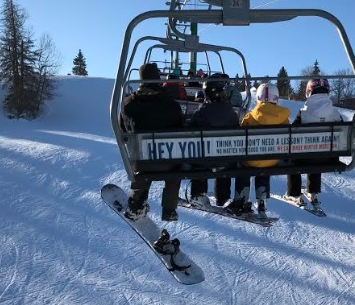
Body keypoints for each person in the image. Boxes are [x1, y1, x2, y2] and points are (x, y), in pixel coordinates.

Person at [121, 62, 184, 221]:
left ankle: (136, 205)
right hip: (168, 160)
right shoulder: (172, 104)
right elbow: (181, 127)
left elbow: (122, 127)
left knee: (142, 169)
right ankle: (169, 210)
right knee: (174, 173)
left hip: (142, 160)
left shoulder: (129, 103)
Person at [226, 83, 291, 217]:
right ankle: (262, 201)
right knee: (265, 166)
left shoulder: (251, 116)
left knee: (243, 165)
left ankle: (241, 198)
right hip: (271, 160)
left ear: (258, 97)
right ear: (276, 98)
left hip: (251, 160)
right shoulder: (283, 118)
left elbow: (241, 136)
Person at [285, 78, 343, 208]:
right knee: (320, 149)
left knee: (296, 156)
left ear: (309, 91)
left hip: (304, 159)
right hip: (328, 159)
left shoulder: (304, 112)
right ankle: (313, 191)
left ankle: (294, 193)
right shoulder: (335, 113)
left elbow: (292, 133)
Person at [189, 73, 240, 207]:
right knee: (225, 158)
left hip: (205, 159)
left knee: (198, 156)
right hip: (226, 159)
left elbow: (191, 129)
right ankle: (223, 197)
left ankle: (198, 194)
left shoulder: (202, 112)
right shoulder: (230, 112)